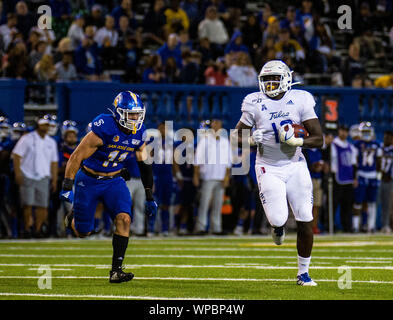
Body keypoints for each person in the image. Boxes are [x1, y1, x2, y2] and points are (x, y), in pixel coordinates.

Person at [233, 60, 323, 286]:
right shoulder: (254, 102)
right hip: (268, 167)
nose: (271, 84)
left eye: (275, 79)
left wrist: (298, 140)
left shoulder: (301, 99)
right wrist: (251, 139)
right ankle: (278, 226)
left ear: (286, 79)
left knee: (305, 217)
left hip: (295, 165)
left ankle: (303, 273)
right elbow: (235, 137)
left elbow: (319, 138)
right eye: (266, 80)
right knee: (278, 217)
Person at [60, 91, 158, 283]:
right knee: (83, 232)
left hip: (114, 181)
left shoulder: (140, 132)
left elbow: (145, 165)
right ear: (119, 113)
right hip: (89, 180)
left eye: (138, 114)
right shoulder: (104, 127)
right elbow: (76, 157)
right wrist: (67, 185)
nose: (135, 118)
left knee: (124, 219)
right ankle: (73, 217)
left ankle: (116, 270)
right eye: (131, 114)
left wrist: (149, 195)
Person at [11, 115, 59, 238]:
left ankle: (38, 230)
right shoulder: (27, 138)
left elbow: (54, 162)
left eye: (48, 125)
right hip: (27, 175)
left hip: (43, 176)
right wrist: (18, 173)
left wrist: (54, 179)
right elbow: (16, 156)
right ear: (39, 125)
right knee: (27, 204)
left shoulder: (51, 142)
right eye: (44, 124)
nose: (47, 127)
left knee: (42, 205)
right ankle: (27, 229)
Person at [194, 118, 231, 235]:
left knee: (218, 204)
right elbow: (197, 160)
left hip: (220, 177)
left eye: (218, 123)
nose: (216, 125)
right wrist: (196, 176)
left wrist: (226, 177)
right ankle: (201, 227)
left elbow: (228, 162)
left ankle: (216, 228)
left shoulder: (225, 142)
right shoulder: (204, 141)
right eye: (214, 123)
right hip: (207, 176)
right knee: (204, 203)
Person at [352, 122, 382, 233]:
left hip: (373, 175)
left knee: (372, 202)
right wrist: (355, 177)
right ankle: (355, 226)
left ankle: (371, 225)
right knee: (358, 202)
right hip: (361, 174)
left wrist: (378, 177)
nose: (366, 134)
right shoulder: (357, 144)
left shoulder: (377, 144)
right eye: (364, 132)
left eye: (367, 132)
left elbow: (379, 162)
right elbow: (354, 162)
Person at [330, 124, 357, 233]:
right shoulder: (333, 145)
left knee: (347, 205)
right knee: (334, 203)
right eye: (342, 130)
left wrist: (355, 178)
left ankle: (347, 226)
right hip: (337, 178)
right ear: (339, 131)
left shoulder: (351, 147)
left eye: (346, 131)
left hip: (348, 179)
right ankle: (330, 225)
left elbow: (354, 164)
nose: (344, 133)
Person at [380, 130, 393, 233]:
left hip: (389, 180)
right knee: (373, 203)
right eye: (384, 137)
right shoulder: (379, 148)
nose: (385, 139)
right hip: (378, 179)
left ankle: (386, 225)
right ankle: (368, 225)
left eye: (388, 137)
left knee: (388, 205)